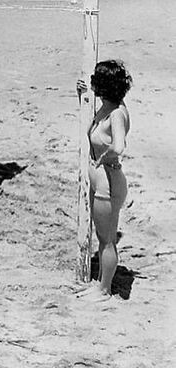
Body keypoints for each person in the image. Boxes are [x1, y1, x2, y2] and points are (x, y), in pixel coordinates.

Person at [77, 59, 133, 301]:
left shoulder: (117, 113)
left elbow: (119, 146)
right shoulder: (107, 107)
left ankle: (105, 289)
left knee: (107, 239)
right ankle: (101, 284)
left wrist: (106, 157)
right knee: (103, 238)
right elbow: (91, 124)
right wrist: (82, 94)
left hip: (108, 183)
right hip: (101, 181)